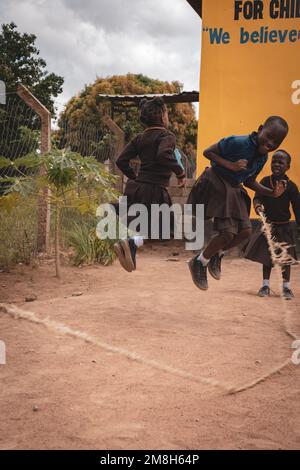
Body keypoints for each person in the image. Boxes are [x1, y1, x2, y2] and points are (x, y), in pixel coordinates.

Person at [187, 116, 289, 290]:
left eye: (276, 141)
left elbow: (249, 181)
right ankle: (199, 262)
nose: (271, 143)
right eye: (269, 136)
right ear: (260, 128)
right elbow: (207, 152)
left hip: (234, 187)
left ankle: (217, 254)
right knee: (227, 233)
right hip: (217, 181)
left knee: (245, 231)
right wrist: (231, 165)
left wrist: (271, 193)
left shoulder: (262, 158)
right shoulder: (238, 142)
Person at [114, 97, 185, 272]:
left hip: (138, 188)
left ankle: (132, 243)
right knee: (165, 231)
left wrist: (135, 177)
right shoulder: (166, 136)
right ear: (162, 116)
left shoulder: (140, 138)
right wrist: (180, 172)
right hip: (154, 190)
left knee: (152, 228)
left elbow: (121, 161)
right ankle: (132, 243)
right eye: (167, 113)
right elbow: (163, 154)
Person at [244, 150, 300, 300]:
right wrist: (257, 207)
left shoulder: (292, 187)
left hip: (285, 227)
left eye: (280, 162)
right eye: (274, 161)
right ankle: (265, 285)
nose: (276, 164)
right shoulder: (264, 182)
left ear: (287, 166)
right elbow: (257, 198)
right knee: (266, 257)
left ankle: (286, 288)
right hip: (268, 226)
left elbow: (297, 208)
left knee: (285, 258)